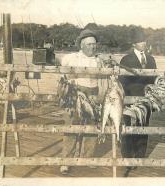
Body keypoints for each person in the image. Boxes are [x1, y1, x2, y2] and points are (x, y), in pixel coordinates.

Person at [59, 29, 108, 175]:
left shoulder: (99, 60)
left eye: (94, 44)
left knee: (91, 127)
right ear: (82, 45)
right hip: (75, 93)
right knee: (71, 128)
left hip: (93, 94)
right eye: (89, 44)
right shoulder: (71, 58)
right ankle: (66, 162)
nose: (93, 47)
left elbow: (103, 80)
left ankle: (88, 157)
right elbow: (63, 74)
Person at [119, 29, 157, 171]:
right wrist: (125, 99)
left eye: (145, 41)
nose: (144, 43)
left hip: (146, 99)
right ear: (134, 44)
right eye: (141, 41)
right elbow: (121, 81)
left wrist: (152, 96)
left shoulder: (151, 59)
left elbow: (154, 79)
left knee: (143, 127)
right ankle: (128, 157)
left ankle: (140, 156)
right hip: (130, 99)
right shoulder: (126, 59)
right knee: (128, 127)